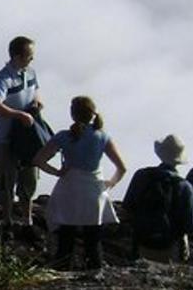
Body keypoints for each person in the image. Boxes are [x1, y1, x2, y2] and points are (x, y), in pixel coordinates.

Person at [31, 96, 126, 270]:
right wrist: (110, 183)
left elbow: (38, 160)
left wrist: (57, 172)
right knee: (93, 240)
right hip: (93, 189)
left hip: (70, 188)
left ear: (73, 114)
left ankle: (63, 272)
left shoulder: (64, 136)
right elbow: (122, 168)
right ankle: (95, 273)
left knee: (66, 239)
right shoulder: (102, 137)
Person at [0, 35, 43, 239]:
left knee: (28, 178)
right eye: (29, 55)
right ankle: (7, 222)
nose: (31, 59)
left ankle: (27, 222)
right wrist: (18, 114)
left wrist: (37, 103)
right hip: (6, 137)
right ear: (18, 56)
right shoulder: (4, 77)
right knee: (5, 179)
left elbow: (36, 91)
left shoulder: (30, 72)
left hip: (27, 136)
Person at [121, 134, 193, 262]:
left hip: (141, 242)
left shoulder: (141, 175)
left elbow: (128, 207)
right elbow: (191, 226)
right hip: (170, 247)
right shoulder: (184, 186)